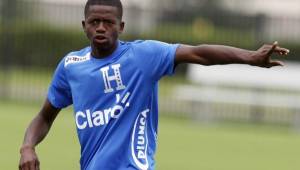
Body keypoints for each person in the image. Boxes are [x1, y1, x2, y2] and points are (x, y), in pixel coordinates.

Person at [18, 0, 290, 170]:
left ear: (121, 26)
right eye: (94, 22)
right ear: (84, 26)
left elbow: (199, 53)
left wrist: (250, 57)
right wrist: (27, 147)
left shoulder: (142, 56)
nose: (101, 27)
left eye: (108, 22)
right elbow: (44, 116)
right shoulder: (71, 66)